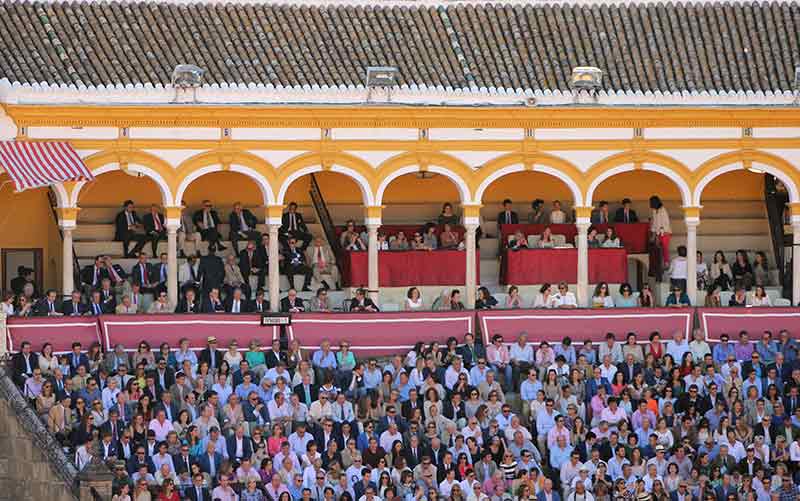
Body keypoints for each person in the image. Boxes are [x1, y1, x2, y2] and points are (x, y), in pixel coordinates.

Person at [649, 196, 671, 266]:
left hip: (665, 232)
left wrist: (661, 232)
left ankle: (666, 262)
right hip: (658, 233)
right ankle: (659, 263)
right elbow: (654, 223)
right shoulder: (654, 211)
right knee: (658, 249)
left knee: (664, 247)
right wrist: (654, 234)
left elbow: (666, 223)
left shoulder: (663, 210)